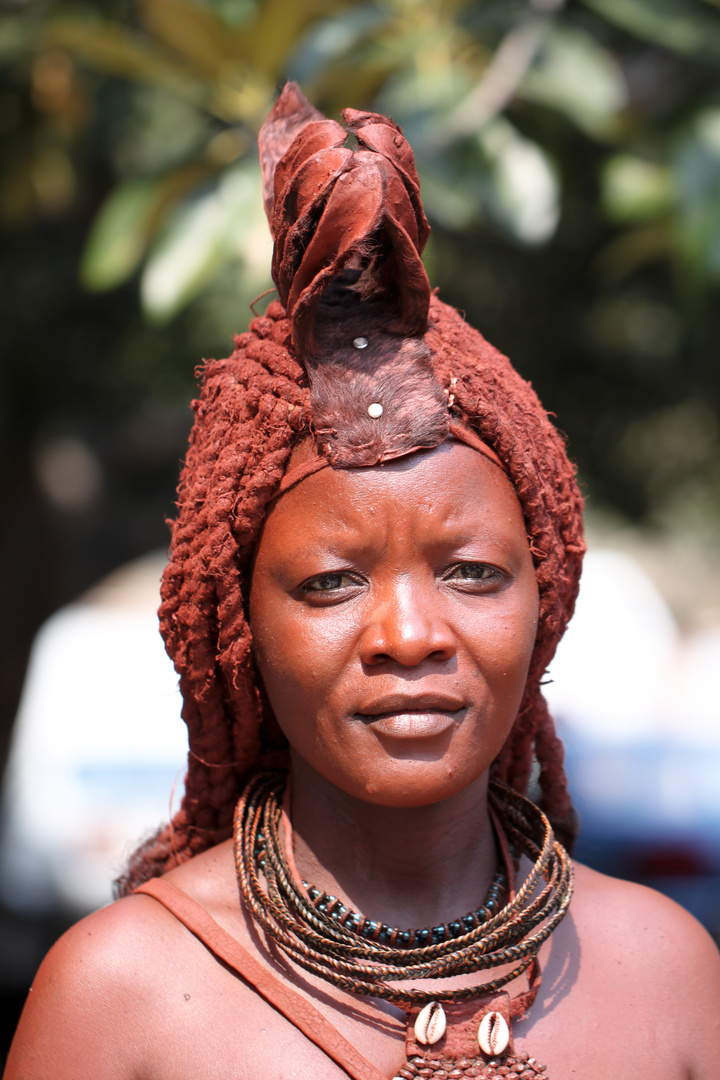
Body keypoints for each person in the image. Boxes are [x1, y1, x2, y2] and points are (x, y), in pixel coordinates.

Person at [5, 84, 720, 1080]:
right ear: (237, 625)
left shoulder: (669, 973)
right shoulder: (125, 995)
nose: (411, 632)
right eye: (333, 583)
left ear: (546, 598)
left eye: (473, 573)